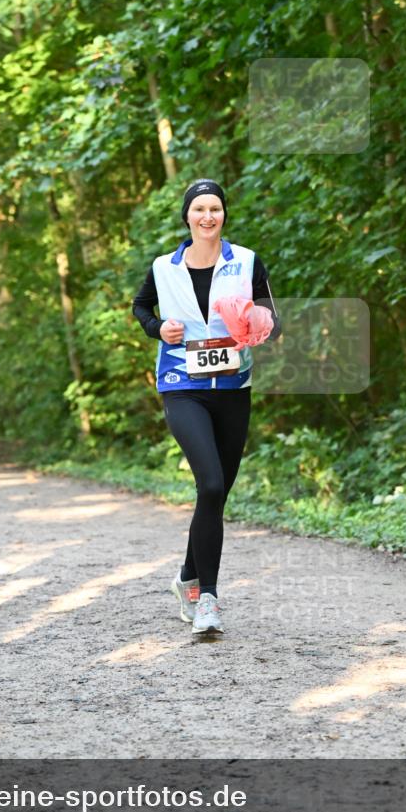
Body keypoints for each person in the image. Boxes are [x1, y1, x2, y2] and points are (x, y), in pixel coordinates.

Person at [132, 179, 280, 636]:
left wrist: (251, 321)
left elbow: (272, 321)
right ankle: (207, 600)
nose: (207, 216)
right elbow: (140, 307)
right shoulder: (164, 267)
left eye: (215, 208)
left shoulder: (247, 261)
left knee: (216, 494)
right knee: (210, 483)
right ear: (187, 217)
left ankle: (186, 577)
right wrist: (159, 329)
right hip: (182, 385)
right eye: (199, 208)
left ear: (223, 215)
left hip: (233, 387)